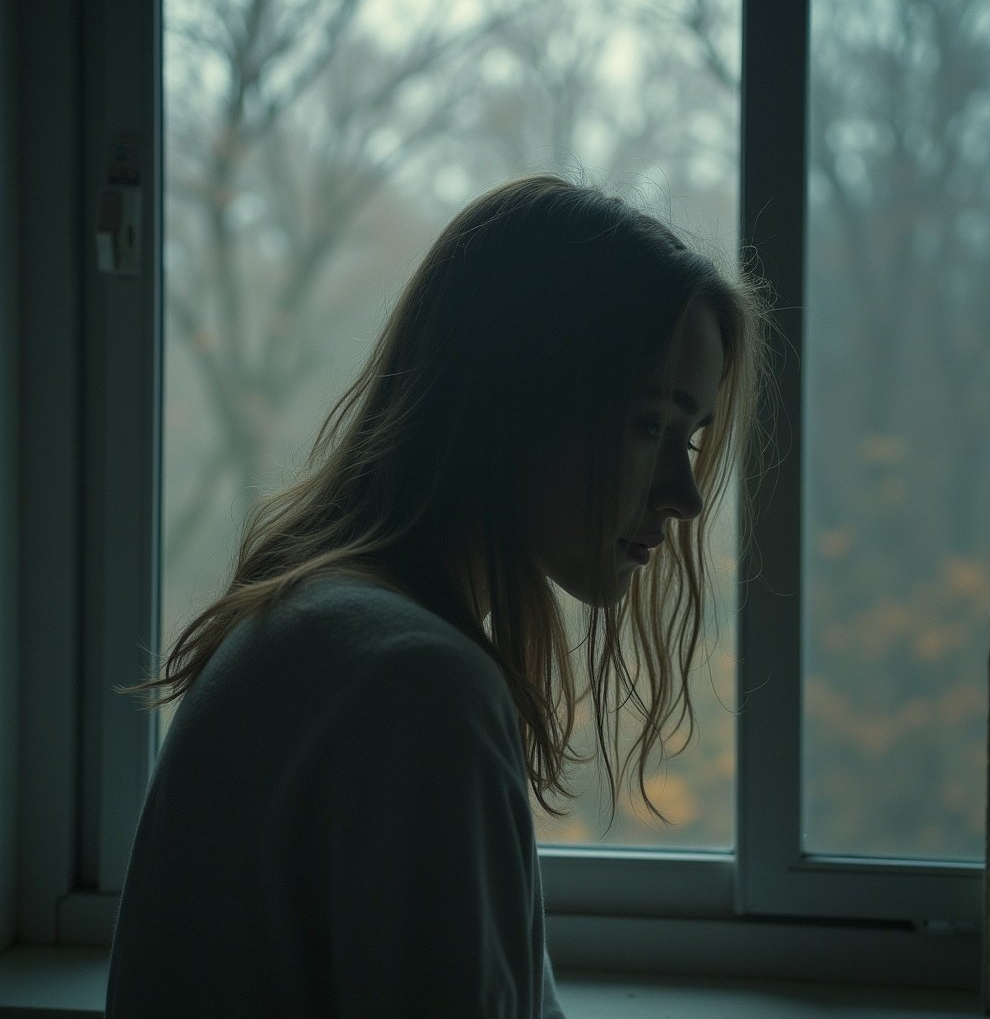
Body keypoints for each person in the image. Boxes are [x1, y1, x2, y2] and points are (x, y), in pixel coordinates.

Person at [106, 175, 767, 1018]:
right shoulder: (415, 685)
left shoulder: (316, 624)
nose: (686, 494)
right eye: (648, 425)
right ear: (518, 404)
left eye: (693, 436)